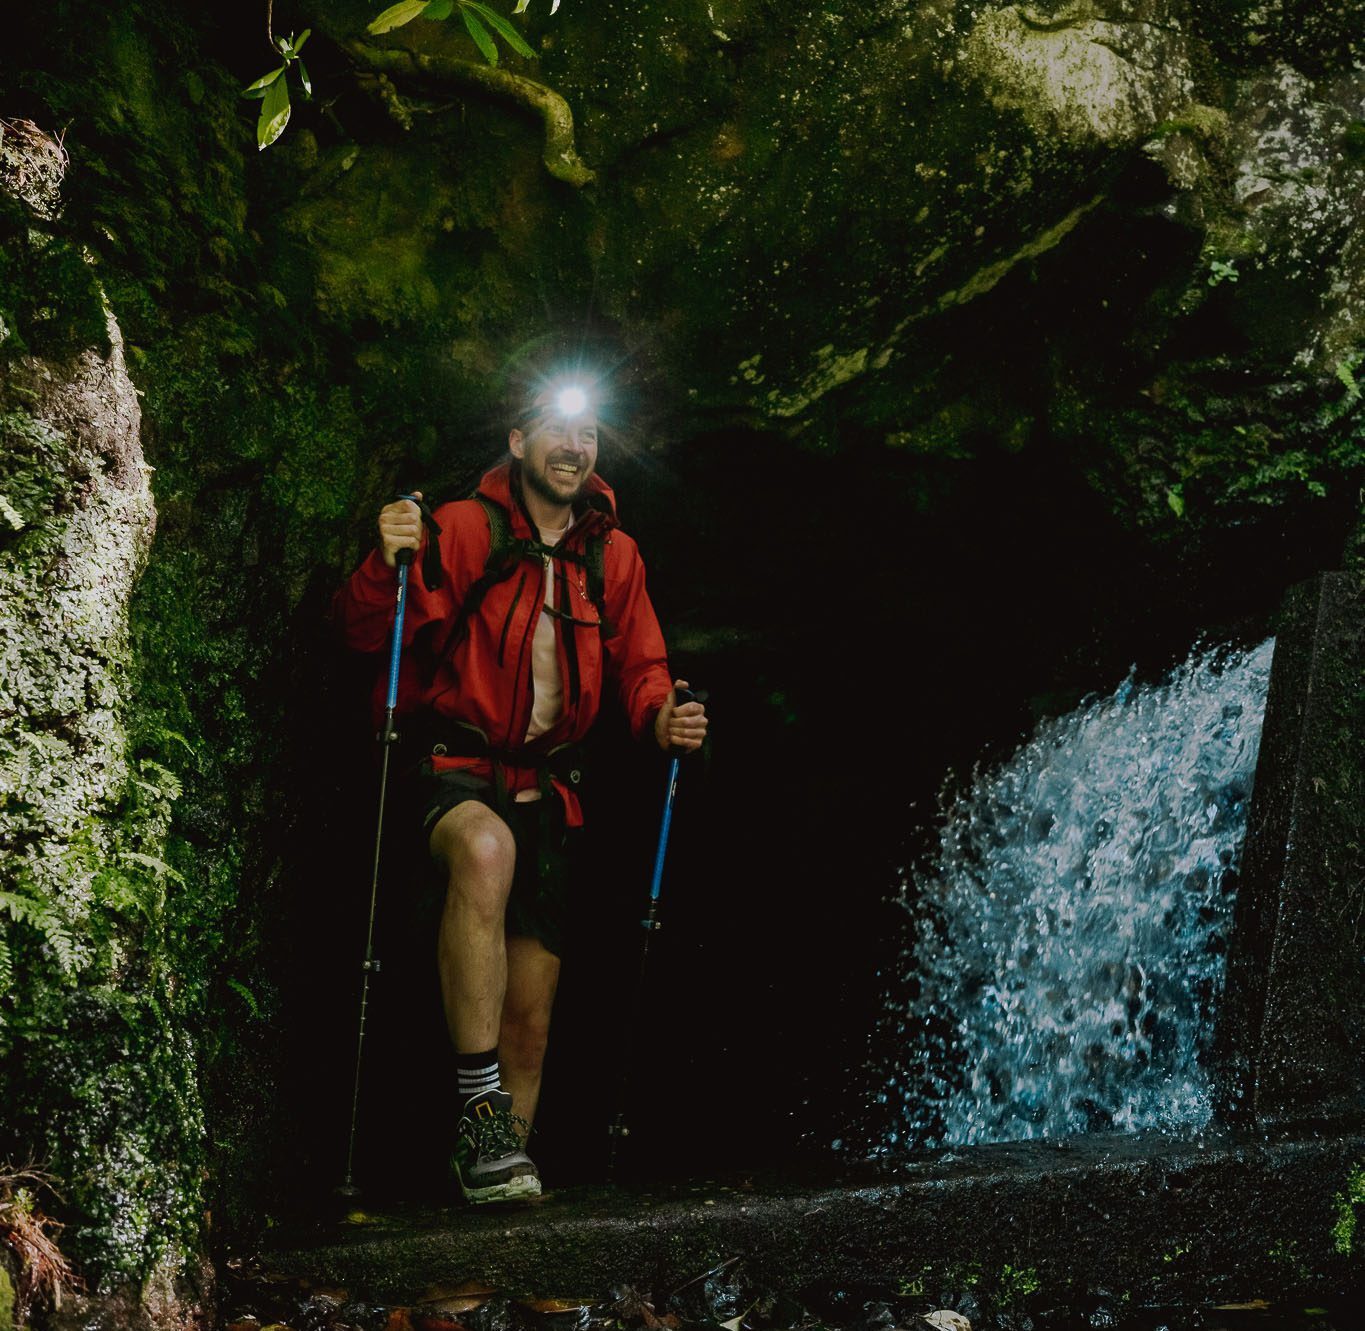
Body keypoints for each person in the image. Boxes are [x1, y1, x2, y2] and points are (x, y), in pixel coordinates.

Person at [334, 377, 707, 1203]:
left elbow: (642, 669)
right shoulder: (466, 527)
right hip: (452, 768)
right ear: (517, 441)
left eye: (589, 435)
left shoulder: (613, 555)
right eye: (558, 430)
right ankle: (480, 1115)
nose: (574, 447)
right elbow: (363, 631)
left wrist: (662, 719)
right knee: (485, 847)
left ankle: (498, 1189)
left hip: (548, 789)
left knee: (530, 1024)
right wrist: (385, 560)